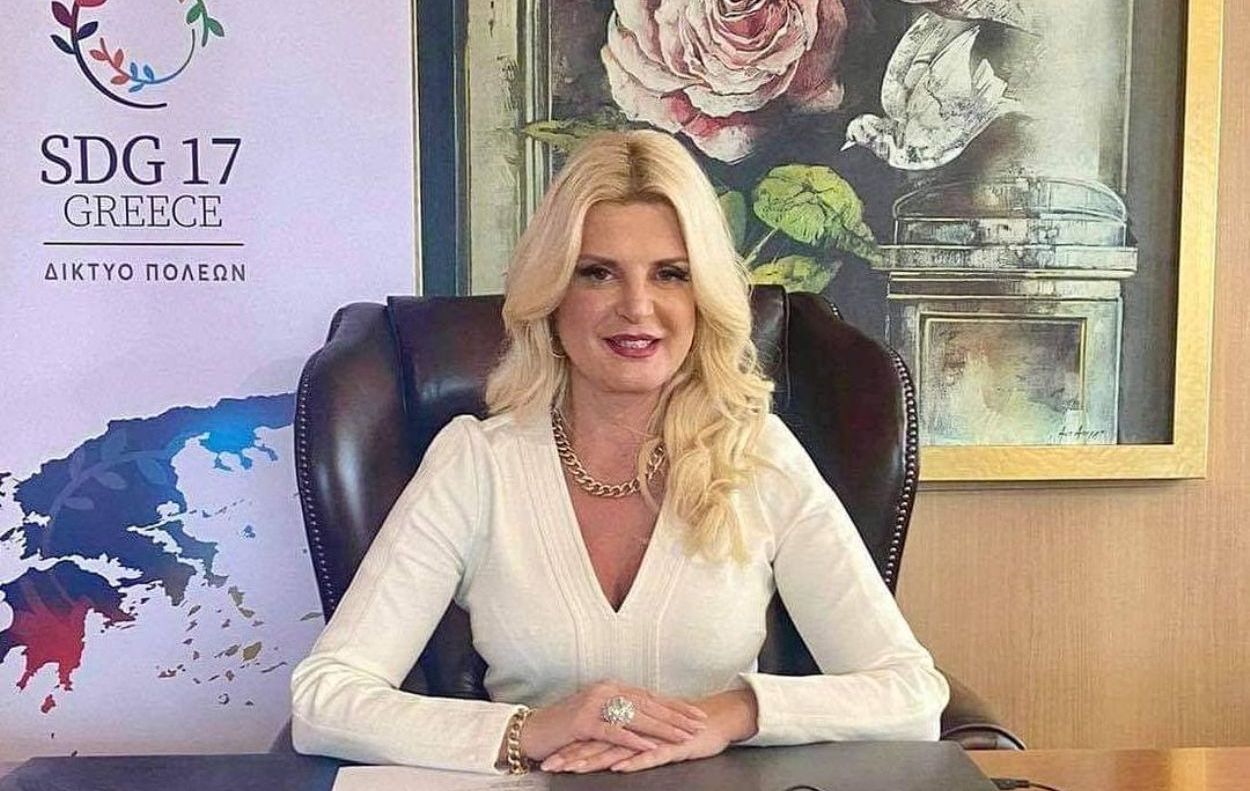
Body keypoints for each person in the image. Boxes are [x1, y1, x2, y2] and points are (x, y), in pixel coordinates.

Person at [290, 130, 949, 775]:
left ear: (704, 296)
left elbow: (910, 693)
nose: (637, 307)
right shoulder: (477, 463)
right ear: (553, 294)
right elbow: (325, 699)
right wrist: (531, 730)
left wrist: (730, 714)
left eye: (671, 274)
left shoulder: (759, 455)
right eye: (598, 273)